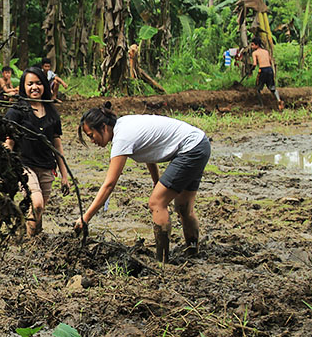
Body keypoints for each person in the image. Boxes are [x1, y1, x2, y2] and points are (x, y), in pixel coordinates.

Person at [73, 103, 211, 263]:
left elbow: (109, 184)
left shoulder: (122, 138)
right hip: (200, 143)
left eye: (91, 135)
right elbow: (149, 151)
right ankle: (192, 252)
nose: (92, 141)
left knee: (156, 203)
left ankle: (163, 261)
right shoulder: (124, 125)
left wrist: (86, 217)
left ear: (103, 127)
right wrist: (156, 182)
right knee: (183, 207)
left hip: (190, 149)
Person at [4, 66, 69, 236]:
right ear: (23, 87)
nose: (34, 87)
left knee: (38, 212)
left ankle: (30, 237)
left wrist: (64, 175)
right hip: (25, 166)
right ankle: (31, 245)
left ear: (45, 86)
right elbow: (9, 142)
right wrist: (4, 165)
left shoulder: (52, 113)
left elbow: (57, 146)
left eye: (38, 83)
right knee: (37, 203)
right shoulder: (17, 111)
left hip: (47, 168)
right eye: (30, 84)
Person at [250, 38, 283, 111]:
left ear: (256, 45)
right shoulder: (266, 51)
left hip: (263, 70)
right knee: (272, 88)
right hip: (269, 69)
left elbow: (255, 64)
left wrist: (251, 69)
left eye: (252, 45)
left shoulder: (255, 53)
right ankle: (279, 100)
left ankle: (261, 105)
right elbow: (270, 61)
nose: (251, 47)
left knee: (258, 89)